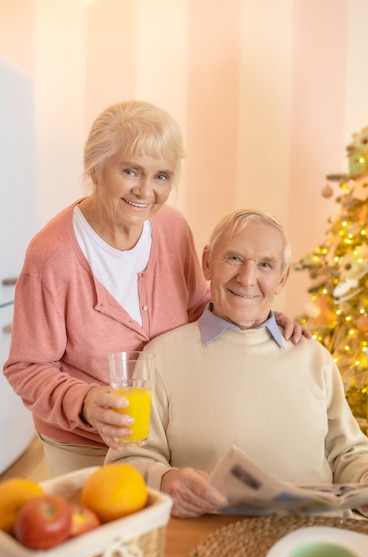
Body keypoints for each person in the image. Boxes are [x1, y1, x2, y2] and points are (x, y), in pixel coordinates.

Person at [3, 101, 305, 478]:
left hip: (167, 433)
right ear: (96, 168)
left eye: (162, 176)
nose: (146, 191)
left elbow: (198, 306)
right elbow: (27, 367)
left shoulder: (172, 229)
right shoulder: (52, 257)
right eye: (131, 171)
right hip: (87, 445)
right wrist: (85, 402)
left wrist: (261, 319)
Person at [106, 209, 368, 521]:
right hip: (211, 541)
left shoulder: (314, 357)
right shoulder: (161, 356)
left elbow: (349, 454)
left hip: (316, 534)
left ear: (282, 278)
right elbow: (127, 460)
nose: (247, 278)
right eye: (233, 258)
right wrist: (163, 480)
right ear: (207, 262)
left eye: (265, 265)